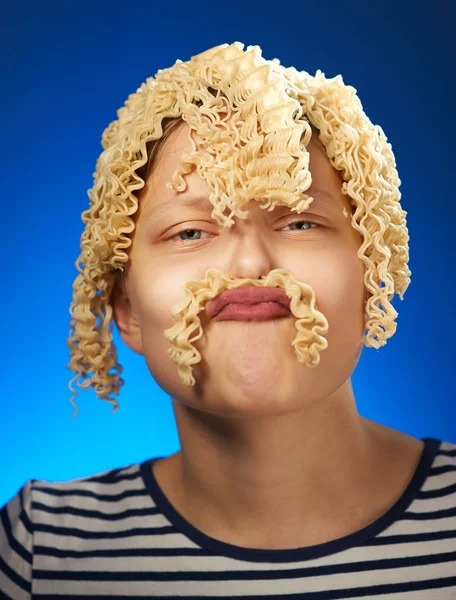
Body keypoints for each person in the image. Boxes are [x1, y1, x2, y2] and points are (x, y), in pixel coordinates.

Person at [1, 42, 455, 598]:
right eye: (190, 232)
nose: (248, 265)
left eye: (299, 223)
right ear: (127, 311)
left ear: (371, 278)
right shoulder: (40, 550)